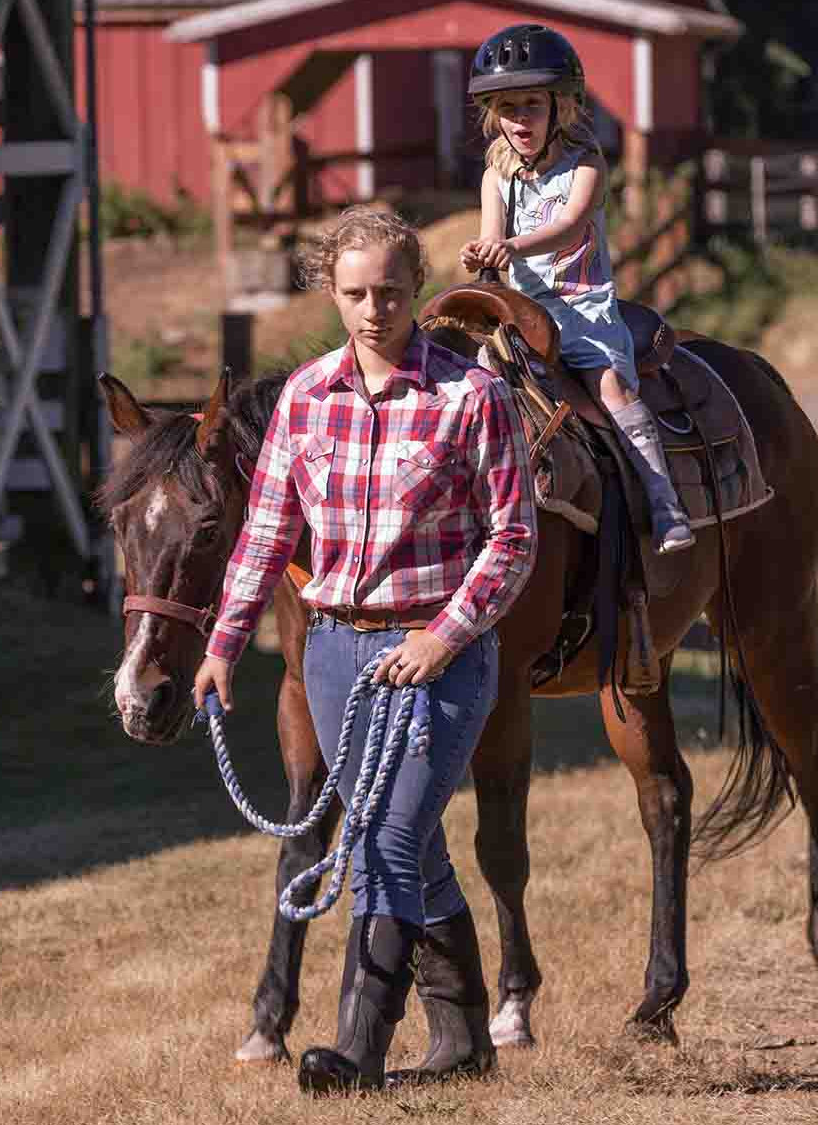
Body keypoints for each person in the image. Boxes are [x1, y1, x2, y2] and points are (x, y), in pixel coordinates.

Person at [192, 207, 536, 1094]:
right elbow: (266, 534)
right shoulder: (305, 398)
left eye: (389, 290)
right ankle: (464, 1041)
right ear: (330, 293)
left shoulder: (473, 397)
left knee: (385, 837)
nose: (373, 308)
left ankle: (357, 1048)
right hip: (336, 652)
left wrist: (444, 635)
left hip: (440, 658)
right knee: (414, 847)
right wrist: (224, 645)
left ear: (416, 288)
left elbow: (511, 540)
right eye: (354, 293)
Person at [459, 23, 695, 554]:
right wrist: (483, 251)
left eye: (533, 105)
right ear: (493, 112)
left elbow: (569, 227)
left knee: (611, 388)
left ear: (560, 108)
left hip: (581, 306)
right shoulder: (494, 174)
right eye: (509, 107)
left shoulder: (585, 163)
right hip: (520, 312)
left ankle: (663, 499)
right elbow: (492, 234)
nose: (521, 119)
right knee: (471, 386)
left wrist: (513, 248)